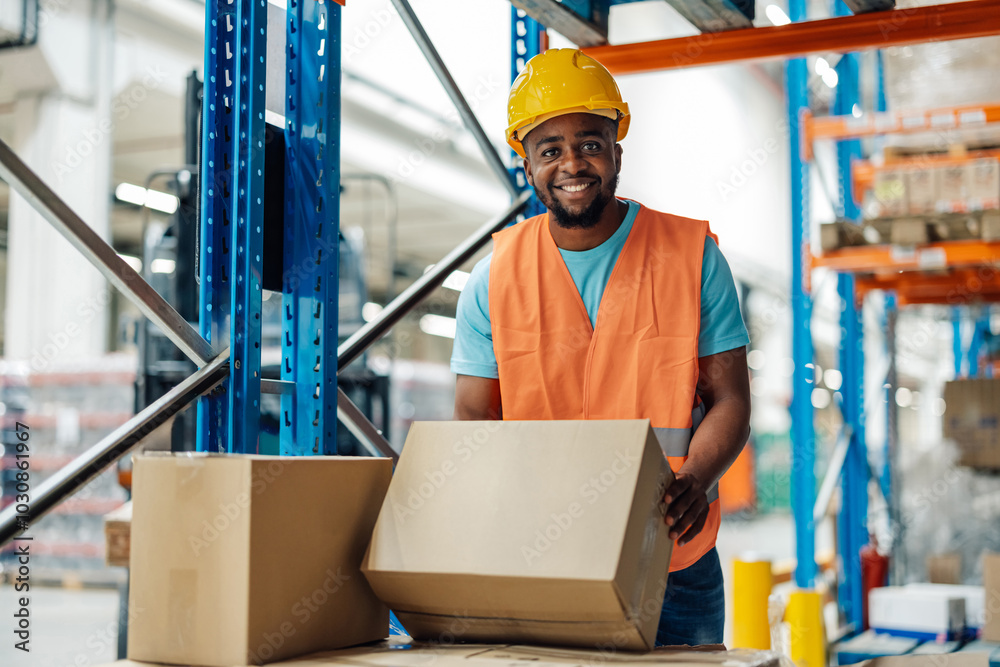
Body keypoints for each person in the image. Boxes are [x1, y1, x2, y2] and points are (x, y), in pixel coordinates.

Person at [450, 48, 751, 646]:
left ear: (617, 146)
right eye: (550, 150)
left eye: (589, 142)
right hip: (547, 555)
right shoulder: (494, 277)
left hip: (673, 556)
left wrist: (696, 479)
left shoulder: (693, 257)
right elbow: (473, 418)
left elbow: (730, 399)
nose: (571, 163)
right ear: (528, 165)